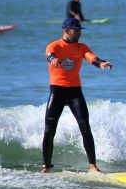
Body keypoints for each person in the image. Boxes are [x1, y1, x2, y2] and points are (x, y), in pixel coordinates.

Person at [42, 17, 113, 174]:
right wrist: (52, 59)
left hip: (75, 91)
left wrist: (100, 63)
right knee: (49, 130)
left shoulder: (81, 47)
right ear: (67, 31)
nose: (80, 33)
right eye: (77, 30)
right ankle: (47, 166)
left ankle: (93, 166)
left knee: (85, 127)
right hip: (57, 90)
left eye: (80, 30)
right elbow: (49, 54)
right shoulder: (54, 45)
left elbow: (90, 56)